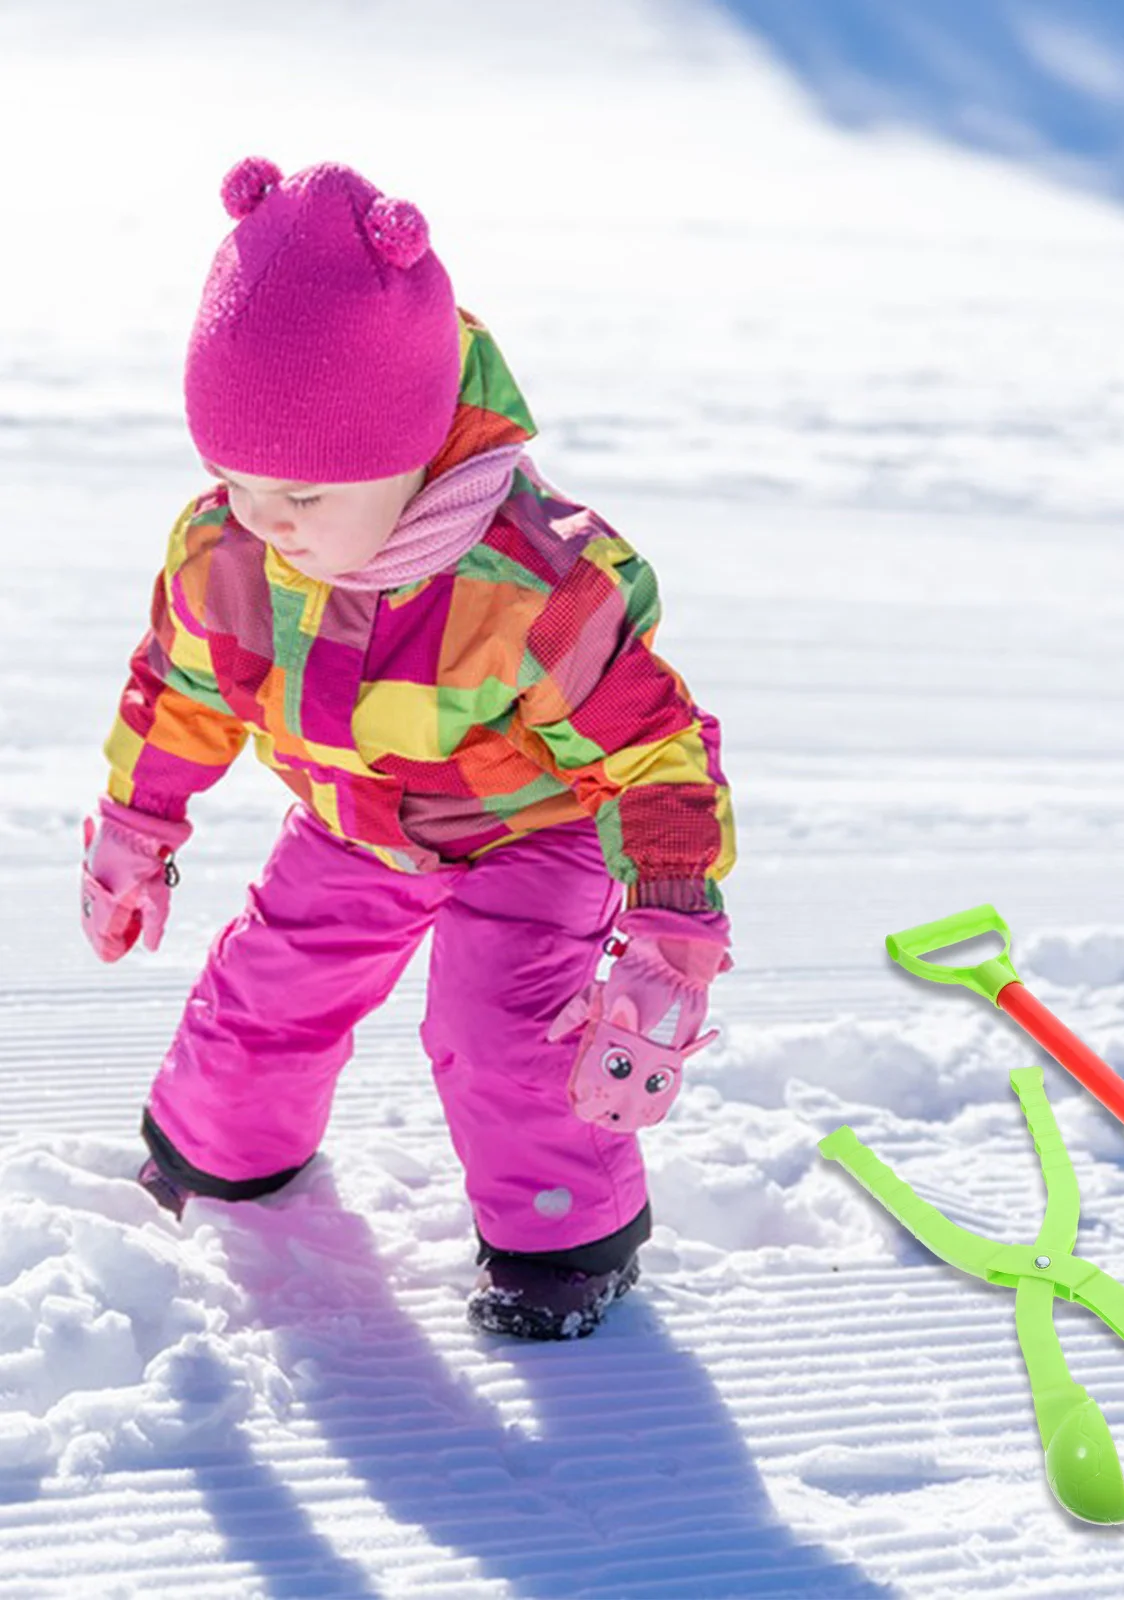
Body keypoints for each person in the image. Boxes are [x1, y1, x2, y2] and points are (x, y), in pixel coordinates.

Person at [79, 157, 736, 1341]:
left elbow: (653, 748)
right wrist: (138, 827)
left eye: (306, 493)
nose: (268, 519)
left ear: (414, 444)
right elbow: (180, 683)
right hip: (355, 820)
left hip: (532, 830)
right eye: (236, 478)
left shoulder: (535, 582)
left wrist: (672, 926)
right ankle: (222, 1160)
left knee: (502, 1029)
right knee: (266, 990)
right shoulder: (228, 552)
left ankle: (563, 1242)